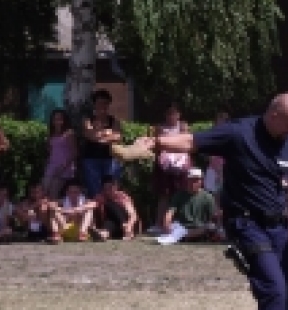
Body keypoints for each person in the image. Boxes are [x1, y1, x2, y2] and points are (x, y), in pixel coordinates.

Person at [123, 93, 288, 310]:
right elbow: (193, 141)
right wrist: (155, 143)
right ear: (274, 114)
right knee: (274, 289)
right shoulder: (239, 133)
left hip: (278, 227)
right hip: (246, 223)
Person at [147, 102, 192, 235]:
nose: (171, 116)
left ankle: (179, 223)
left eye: (174, 113)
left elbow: (187, 143)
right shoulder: (160, 128)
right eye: (169, 113)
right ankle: (159, 224)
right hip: (164, 164)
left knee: (181, 194)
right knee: (163, 194)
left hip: (181, 163)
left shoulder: (183, 127)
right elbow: (158, 145)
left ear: (179, 114)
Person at [156, 168, 218, 245]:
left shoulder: (208, 197)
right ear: (187, 180)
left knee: (210, 227)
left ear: (201, 181)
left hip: (199, 228)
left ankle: (183, 236)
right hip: (181, 226)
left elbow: (214, 216)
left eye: (196, 180)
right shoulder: (179, 195)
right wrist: (166, 223)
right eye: (191, 180)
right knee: (175, 227)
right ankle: (183, 236)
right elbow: (170, 212)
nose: (193, 182)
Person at [81, 89, 123, 198]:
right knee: (95, 191)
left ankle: (112, 213)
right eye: (99, 103)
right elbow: (90, 135)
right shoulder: (88, 120)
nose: (102, 106)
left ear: (109, 104)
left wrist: (99, 135)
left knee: (112, 190)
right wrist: (108, 134)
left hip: (110, 160)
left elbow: (118, 137)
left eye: (105, 103)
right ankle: (98, 214)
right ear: (94, 104)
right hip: (91, 160)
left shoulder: (114, 121)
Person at [42, 109, 77, 200]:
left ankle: (54, 212)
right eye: (55, 119)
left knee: (54, 192)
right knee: (44, 190)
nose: (57, 121)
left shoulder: (69, 133)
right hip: (52, 166)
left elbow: (74, 153)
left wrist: (64, 167)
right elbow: (50, 152)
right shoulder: (51, 134)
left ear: (64, 120)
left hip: (64, 167)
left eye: (60, 119)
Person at [92, 175, 139, 241]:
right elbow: (91, 205)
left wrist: (129, 225)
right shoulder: (101, 196)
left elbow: (133, 215)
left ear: (115, 187)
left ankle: (128, 232)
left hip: (129, 225)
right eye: (105, 189)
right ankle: (103, 234)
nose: (108, 191)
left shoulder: (122, 196)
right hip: (116, 229)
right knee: (110, 220)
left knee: (111, 204)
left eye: (110, 188)